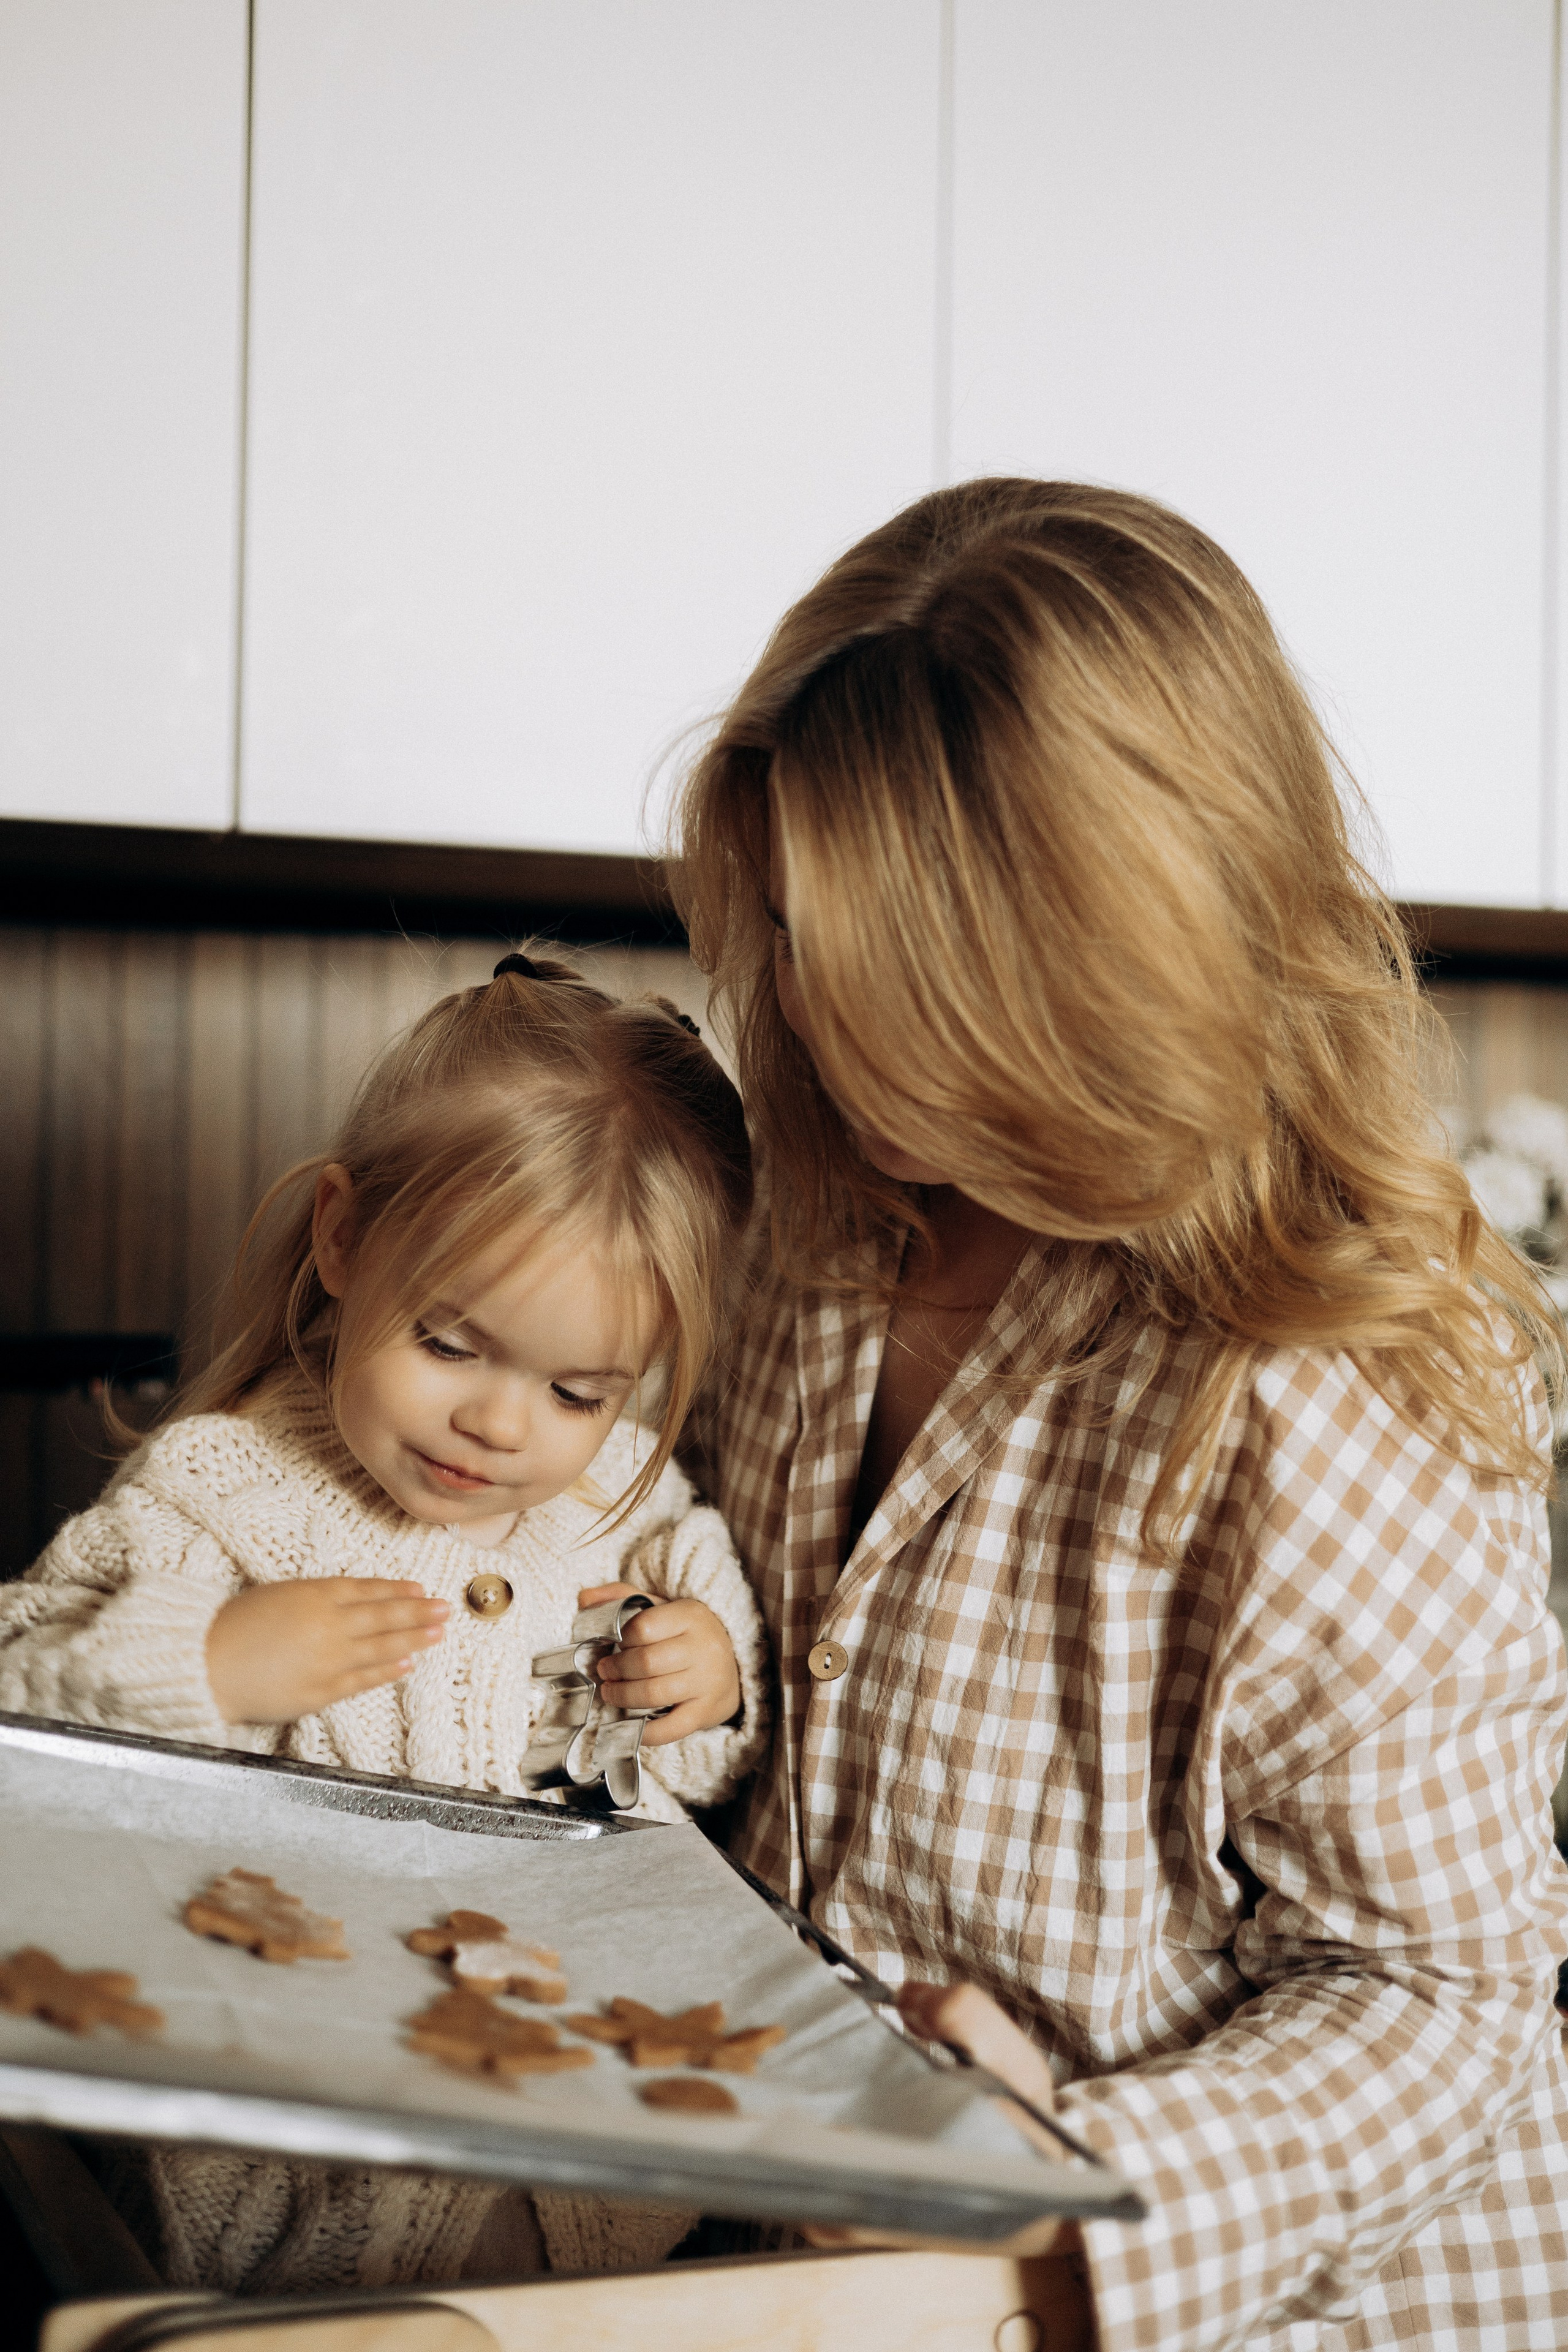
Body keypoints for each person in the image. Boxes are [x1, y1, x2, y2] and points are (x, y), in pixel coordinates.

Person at [672, 479, 1568, 2352]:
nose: (829, 1025)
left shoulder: (1325, 1386)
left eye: (920, 982)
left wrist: (1080, 2196)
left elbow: (1440, 2000)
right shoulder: (801, 1216)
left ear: (1132, 959)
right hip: (843, 2260)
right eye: (806, 940)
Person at [0, 948, 768, 2291]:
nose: (498, 1422)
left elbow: (704, 1749)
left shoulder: (621, 1510)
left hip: (575, 2152)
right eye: (451, 1345)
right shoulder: (224, 1488)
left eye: (578, 1391)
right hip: (285, 2155)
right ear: (345, 1240)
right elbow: (19, 1703)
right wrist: (207, 1665)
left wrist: (702, 1682)